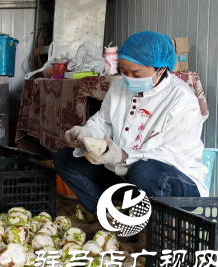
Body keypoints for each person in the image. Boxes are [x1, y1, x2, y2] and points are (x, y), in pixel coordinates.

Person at [54, 31, 208, 214]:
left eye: (136, 74)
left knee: (145, 171)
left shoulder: (181, 99)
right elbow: (103, 122)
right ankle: (108, 216)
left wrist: (123, 156)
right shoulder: (119, 87)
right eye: (124, 71)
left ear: (160, 69)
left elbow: (172, 155)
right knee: (66, 158)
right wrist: (86, 133)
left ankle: (153, 226)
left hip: (174, 182)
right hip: (125, 177)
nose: (129, 79)